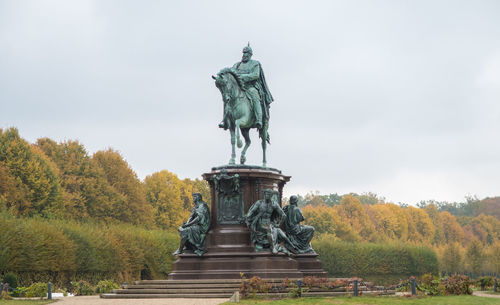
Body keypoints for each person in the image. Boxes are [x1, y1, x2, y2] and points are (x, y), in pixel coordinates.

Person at [219, 44, 273, 130]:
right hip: (239, 87)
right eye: (243, 53)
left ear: (250, 54)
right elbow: (231, 74)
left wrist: (243, 77)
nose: (244, 55)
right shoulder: (237, 65)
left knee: (255, 97)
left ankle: (259, 119)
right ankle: (225, 120)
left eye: (246, 53)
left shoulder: (255, 64)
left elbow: (255, 75)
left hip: (251, 87)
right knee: (227, 98)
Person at [245, 188, 286, 254]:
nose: (268, 196)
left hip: (269, 223)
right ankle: (273, 247)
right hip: (260, 223)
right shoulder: (259, 203)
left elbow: (283, 215)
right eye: (266, 194)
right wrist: (248, 218)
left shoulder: (274, 204)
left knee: (282, 235)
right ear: (264, 194)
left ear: (272, 195)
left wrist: (279, 224)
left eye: (269, 194)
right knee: (269, 229)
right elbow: (251, 212)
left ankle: (275, 245)